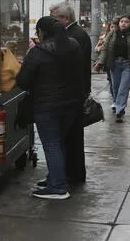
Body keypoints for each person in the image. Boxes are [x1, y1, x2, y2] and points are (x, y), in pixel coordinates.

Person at [16, 16, 82, 199]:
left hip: (47, 106)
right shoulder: (74, 45)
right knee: (59, 142)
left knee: (52, 144)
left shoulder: (38, 52)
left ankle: (58, 187)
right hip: (71, 104)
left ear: (43, 32)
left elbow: (23, 81)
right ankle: (55, 177)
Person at [49, 1, 91, 184]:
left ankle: (72, 174)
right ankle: (72, 172)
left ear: (65, 19)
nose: (52, 22)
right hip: (74, 90)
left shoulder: (75, 36)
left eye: (54, 18)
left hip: (73, 92)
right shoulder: (72, 33)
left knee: (71, 136)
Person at [95, 16, 130, 123]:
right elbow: (105, 50)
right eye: (122, 21)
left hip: (128, 65)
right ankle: (117, 103)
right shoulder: (111, 35)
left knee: (124, 88)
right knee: (116, 87)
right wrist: (100, 62)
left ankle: (119, 110)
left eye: (126, 22)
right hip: (114, 64)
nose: (123, 23)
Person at [95, 21, 115, 109]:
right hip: (107, 62)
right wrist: (101, 47)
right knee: (111, 81)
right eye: (112, 27)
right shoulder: (104, 37)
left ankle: (115, 98)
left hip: (117, 62)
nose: (113, 29)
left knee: (114, 82)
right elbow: (96, 49)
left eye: (115, 27)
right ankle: (114, 97)